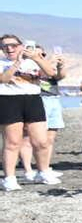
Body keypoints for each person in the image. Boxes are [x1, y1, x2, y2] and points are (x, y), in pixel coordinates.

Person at [1, 35, 60, 189]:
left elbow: (51, 73)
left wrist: (36, 58)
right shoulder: (2, 62)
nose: (9, 48)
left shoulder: (32, 61)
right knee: (12, 142)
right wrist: (17, 63)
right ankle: (9, 178)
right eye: (5, 46)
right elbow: (4, 79)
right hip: (9, 101)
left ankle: (43, 171)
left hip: (33, 100)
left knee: (41, 141)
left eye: (13, 45)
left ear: (21, 46)